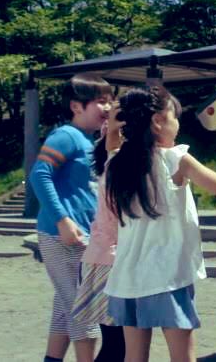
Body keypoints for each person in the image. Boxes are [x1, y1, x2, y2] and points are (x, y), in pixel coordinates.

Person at [103, 87, 216, 362]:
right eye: (175, 116)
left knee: (134, 357)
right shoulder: (174, 158)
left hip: (127, 277)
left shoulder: (117, 162)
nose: (178, 124)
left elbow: (111, 146)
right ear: (158, 121)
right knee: (182, 357)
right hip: (167, 275)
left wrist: (113, 128)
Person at [29, 74, 112, 362]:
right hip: (61, 235)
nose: (108, 107)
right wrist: (62, 219)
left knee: (65, 308)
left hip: (82, 234)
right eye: (100, 101)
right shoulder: (65, 136)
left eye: (109, 101)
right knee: (82, 309)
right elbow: (39, 175)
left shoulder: (90, 140)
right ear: (76, 106)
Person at [70, 100, 126, 362]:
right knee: (118, 347)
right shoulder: (118, 170)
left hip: (101, 258)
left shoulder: (109, 168)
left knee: (116, 344)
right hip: (111, 262)